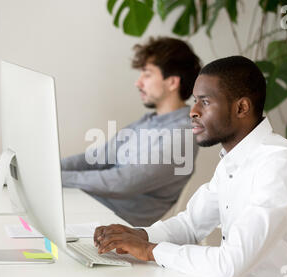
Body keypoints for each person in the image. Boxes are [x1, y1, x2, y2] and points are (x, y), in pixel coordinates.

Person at [94, 56, 287, 277]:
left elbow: (229, 266)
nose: (193, 111)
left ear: (241, 108)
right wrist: (140, 235)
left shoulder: (278, 164)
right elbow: (191, 225)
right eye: (194, 101)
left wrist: (150, 251)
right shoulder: (234, 160)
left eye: (205, 102)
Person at [61, 37, 201, 227]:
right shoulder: (147, 122)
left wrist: (56, 178)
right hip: (88, 206)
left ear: (172, 82)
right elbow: (95, 158)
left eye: (147, 74)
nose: (138, 83)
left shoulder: (182, 135)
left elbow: (124, 182)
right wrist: (48, 169)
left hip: (111, 224)